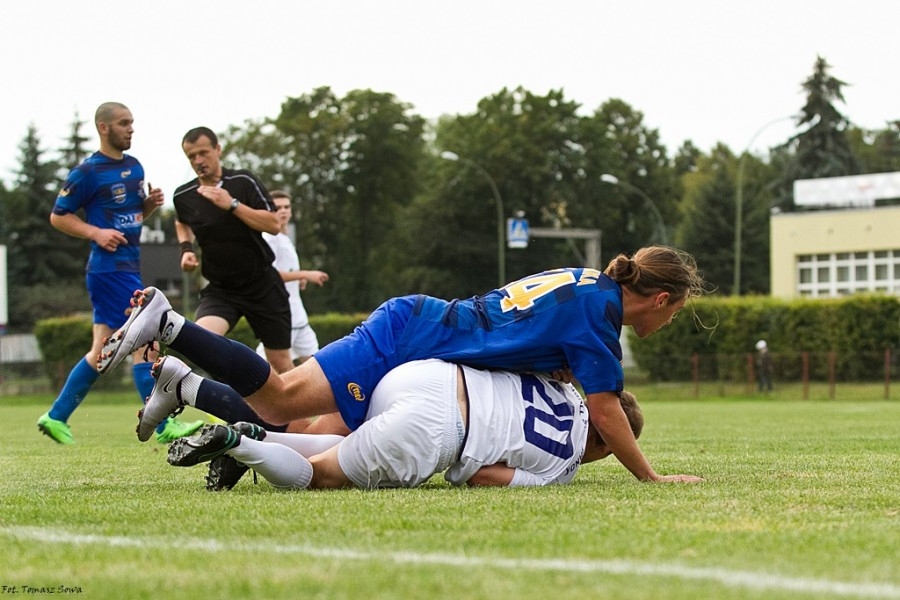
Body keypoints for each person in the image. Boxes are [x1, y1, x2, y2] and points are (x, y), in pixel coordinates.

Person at [99, 246, 706, 483]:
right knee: (280, 400)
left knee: (314, 431)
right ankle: (170, 326)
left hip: (422, 333)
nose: (666, 323)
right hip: (417, 339)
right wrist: (650, 479)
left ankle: (187, 387)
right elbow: (606, 409)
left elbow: (529, 343)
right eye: (673, 313)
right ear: (658, 298)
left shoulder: (589, 283)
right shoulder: (600, 318)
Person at [165, 359, 644, 490]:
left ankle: (259, 434)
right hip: (438, 427)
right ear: (608, 445)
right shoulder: (565, 468)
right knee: (322, 477)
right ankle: (235, 440)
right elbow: (480, 475)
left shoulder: (561, 382)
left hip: (424, 373)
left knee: (342, 445)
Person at [37, 102, 202, 445]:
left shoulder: (134, 167)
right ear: (104, 128)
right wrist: (95, 233)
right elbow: (59, 216)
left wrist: (149, 206)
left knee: (102, 350)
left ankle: (56, 416)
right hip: (109, 270)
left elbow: (133, 216)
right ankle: (160, 425)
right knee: (148, 340)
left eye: (132, 123)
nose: (131, 129)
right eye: (124, 123)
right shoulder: (87, 172)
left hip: (127, 265)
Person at [172, 127, 294, 374]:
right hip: (221, 290)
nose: (198, 161)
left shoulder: (242, 182)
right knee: (200, 342)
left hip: (262, 285)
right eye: (191, 156)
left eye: (203, 153)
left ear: (218, 150)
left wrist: (232, 205)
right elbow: (181, 222)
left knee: (281, 363)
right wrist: (186, 249)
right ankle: (235, 395)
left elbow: (273, 224)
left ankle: (295, 412)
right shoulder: (183, 195)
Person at [254, 190, 329, 365]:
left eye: (287, 207)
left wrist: (298, 279)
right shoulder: (269, 238)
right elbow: (268, 275)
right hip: (282, 316)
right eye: (277, 207)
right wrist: (305, 274)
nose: (283, 211)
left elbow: (284, 270)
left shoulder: (283, 237)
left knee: (316, 365)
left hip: (298, 316)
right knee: (266, 369)